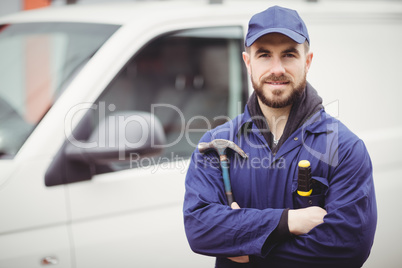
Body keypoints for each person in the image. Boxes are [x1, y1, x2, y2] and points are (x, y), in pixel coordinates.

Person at [183, 5, 377, 268]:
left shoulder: (344, 148)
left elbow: (349, 246)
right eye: (264, 55)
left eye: (288, 55)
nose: (277, 69)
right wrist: (290, 222)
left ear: (306, 62)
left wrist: (245, 243)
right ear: (247, 62)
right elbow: (199, 230)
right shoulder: (214, 145)